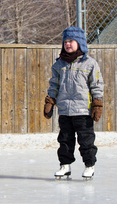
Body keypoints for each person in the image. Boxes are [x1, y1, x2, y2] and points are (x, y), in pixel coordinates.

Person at [44, 26, 104, 180]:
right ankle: (65, 166)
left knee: (86, 141)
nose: (68, 44)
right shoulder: (59, 64)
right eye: (65, 41)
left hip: (83, 110)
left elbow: (96, 84)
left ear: (80, 43)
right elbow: (54, 85)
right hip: (65, 110)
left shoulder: (89, 63)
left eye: (71, 41)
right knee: (64, 140)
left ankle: (89, 166)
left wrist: (97, 104)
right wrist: (50, 101)